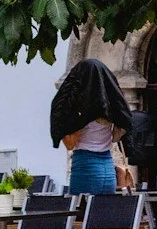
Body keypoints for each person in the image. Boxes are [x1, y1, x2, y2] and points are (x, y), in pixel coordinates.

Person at [51, 59, 132, 196]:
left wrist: (72, 119)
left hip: (86, 167)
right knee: (102, 214)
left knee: (80, 214)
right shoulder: (111, 108)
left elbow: (70, 144)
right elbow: (116, 136)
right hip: (108, 167)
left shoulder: (81, 112)